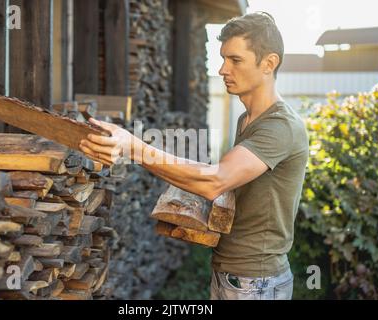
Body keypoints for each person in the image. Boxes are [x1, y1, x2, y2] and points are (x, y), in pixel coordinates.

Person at [79, 12, 309, 300]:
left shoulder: (280, 127)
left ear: (269, 63)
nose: (223, 69)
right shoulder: (248, 119)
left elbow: (215, 181)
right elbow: (225, 177)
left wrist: (133, 147)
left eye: (235, 60)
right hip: (233, 274)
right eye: (223, 58)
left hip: (256, 282)